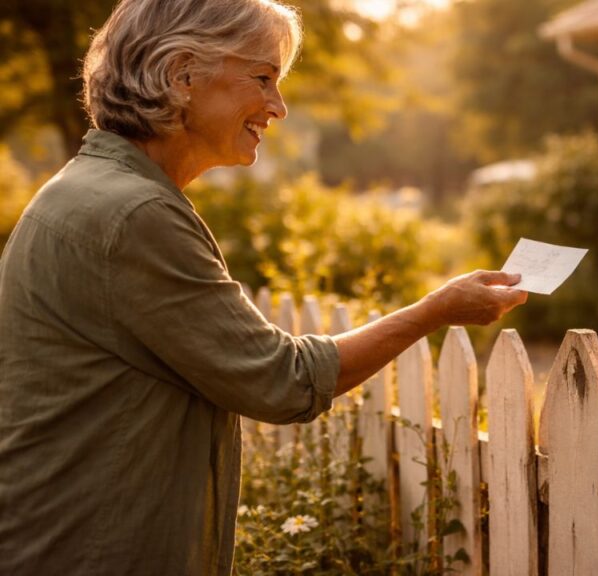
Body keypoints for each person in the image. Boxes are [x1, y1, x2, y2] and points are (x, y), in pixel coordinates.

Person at [0, 0, 526, 573]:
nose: (277, 106)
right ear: (182, 76)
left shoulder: (88, 189)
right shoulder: (135, 213)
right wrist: (434, 311)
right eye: (262, 78)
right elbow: (285, 382)